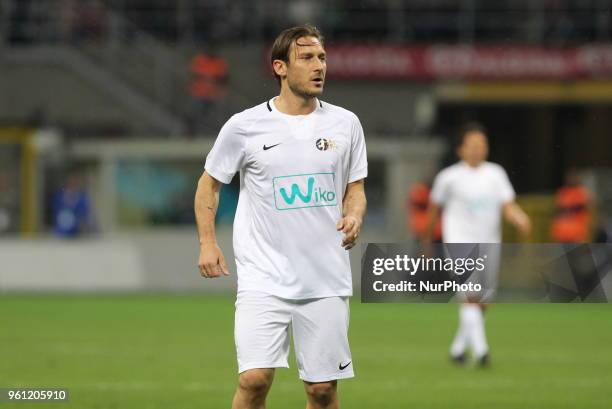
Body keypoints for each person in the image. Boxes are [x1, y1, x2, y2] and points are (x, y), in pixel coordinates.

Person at [194, 25, 367, 409]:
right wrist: (208, 242)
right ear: (280, 67)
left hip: (325, 276)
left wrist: (354, 216)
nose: (318, 65)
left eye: (321, 57)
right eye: (306, 57)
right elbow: (209, 184)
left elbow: (355, 189)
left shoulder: (346, 123)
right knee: (254, 380)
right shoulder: (244, 126)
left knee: (321, 391)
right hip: (263, 275)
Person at [424, 122, 531, 367]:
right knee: (470, 296)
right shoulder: (449, 177)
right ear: (460, 150)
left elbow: (508, 205)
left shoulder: (496, 174)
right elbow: (433, 211)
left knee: (483, 301)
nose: (477, 150)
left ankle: (458, 349)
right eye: (472, 145)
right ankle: (482, 351)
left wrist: (519, 217)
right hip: (460, 242)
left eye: (482, 145)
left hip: (490, 243)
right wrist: (427, 241)